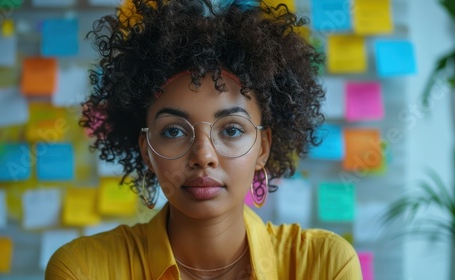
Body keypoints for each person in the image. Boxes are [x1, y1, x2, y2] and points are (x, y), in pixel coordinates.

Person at [45, 0, 362, 279]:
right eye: (173, 131)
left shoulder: (324, 265)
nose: (203, 156)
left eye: (232, 129)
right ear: (146, 149)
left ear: (263, 147)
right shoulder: (82, 270)